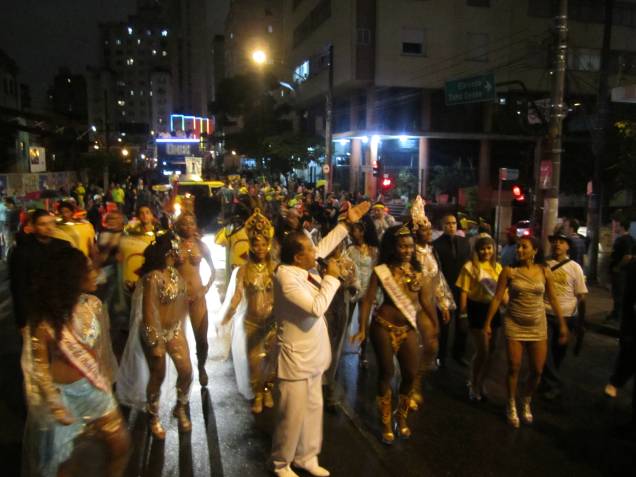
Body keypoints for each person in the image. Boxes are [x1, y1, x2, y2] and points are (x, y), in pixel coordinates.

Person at [270, 200, 370, 477]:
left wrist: (346, 224)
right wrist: (332, 278)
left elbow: (325, 245)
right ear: (297, 257)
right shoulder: (286, 277)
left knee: (313, 410)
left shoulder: (304, 267)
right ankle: (282, 463)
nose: (317, 252)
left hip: (313, 357)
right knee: (291, 416)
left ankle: (307, 457)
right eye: (310, 250)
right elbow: (316, 308)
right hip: (294, 360)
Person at [22, 247, 129, 477]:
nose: (95, 274)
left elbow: (102, 349)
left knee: (120, 443)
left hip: (92, 390)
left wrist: (107, 381)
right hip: (63, 398)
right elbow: (38, 367)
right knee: (63, 466)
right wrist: (54, 404)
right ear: (71, 277)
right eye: (89, 270)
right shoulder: (45, 321)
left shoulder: (94, 305)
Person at [352, 225, 437, 445]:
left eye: (410, 246)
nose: (407, 250)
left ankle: (402, 416)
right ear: (393, 247)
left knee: (410, 374)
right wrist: (362, 328)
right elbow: (368, 299)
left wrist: (435, 327)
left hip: (408, 328)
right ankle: (386, 421)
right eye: (402, 246)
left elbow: (426, 301)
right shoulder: (382, 270)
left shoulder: (418, 273)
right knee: (387, 372)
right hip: (382, 325)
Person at [484, 236, 568, 428]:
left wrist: (562, 324)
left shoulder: (544, 271)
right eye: (518, 247)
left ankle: (526, 400)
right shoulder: (509, 272)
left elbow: (553, 299)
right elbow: (497, 298)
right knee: (514, 366)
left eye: (524, 247)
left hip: (538, 326)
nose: (519, 250)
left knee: (537, 370)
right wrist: (488, 323)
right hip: (514, 324)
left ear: (535, 251)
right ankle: (511, 402)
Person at [116, 233, 193, 438]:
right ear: (171, 252)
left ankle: (181, 406)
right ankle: (153, 414)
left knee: (186, 370)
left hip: (174, 331)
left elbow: (181, 305)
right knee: (157, 375)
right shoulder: (153, 278)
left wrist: (181, 330)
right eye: (180, 249)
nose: (185, 252)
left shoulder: (177, 275)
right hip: (155, 333)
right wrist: (155, 343)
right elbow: (149, 313)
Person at [222, 209, 277, 413]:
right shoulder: (243, 270)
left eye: (263, 244)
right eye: (256, 243)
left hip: (272, 323)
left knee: (271, 361)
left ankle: (268, 389)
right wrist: (228, 314)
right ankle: (258, 393)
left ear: (268, 244)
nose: (260, 247)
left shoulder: (275, 268)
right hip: (251, 323)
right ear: (251, 245)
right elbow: (237, 295)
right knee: (254, 362)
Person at [409, 196, 453, 409]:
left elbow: (438, 279)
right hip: (412, 305)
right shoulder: (409, 253)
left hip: (429, 305)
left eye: (429, 230)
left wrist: (443, 303)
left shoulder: (431, 251)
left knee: (431, 345)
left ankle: (416, 380)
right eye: (424, 230)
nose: (428, 233)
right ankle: (410, 386)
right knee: (415, 346)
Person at [456, 234, 504, 401]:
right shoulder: (470, 267)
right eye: (482, 248)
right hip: (477, 309)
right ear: (476, 250)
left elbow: (501, 292)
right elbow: (464, 291)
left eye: (489, 248)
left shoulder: (497, 267)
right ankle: (473, 382)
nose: (486, 251)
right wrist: (462, 314)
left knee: (492, 350)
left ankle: (481, 381)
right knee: (482, 350)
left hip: (493, 310)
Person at [541, 233, 588, 399]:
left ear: (568, 246)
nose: (557, 245)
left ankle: (547, 383)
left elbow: (581, 296)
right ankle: (555, 384)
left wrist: (581, 323)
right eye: (554, 242)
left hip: (568, 317)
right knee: (544, 352)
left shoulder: (575, 268)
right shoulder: (544, 264)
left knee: (558, 353)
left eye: (561, 242)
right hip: (545, 313)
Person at [9, 210, 71, 330]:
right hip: (35, 308)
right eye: (42, 224)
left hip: (60, 305)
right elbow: (18, 286)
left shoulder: (64, 246)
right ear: (33, 226)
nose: (48, 227)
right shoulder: (22, 251)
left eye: (51, 223)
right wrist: (21, 319)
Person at [174, 212, 215, 387]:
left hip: (198, 297)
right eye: (184, 224)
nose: (188, 227)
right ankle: (183, 373)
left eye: (191, 223)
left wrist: (205, 289)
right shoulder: (173, 246)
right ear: (178, 226)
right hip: (178, 299)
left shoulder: (202, 246)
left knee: (202, 340)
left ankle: (201, 366)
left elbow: (213, 271)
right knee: (177, 340)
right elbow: (165, 270)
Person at [433, 214, 471, 367]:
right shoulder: (436, 245)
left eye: (454, 223)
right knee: (444, 325)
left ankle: (459, 353)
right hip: (444, 289)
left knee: (462, 323)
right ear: (443, 226)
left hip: (462, 289)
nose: (451, 226)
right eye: (448, 223)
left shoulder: (464, 242)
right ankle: (441, 356)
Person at [345, 219, 380, 368]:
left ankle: (364, 353)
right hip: (352, 290)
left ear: (364, 232)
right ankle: (337, 349)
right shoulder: (349, 249)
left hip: (368, 291)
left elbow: (377, 273)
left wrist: (376, 294)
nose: (353, 233)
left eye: (356, 230)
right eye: (352, 230)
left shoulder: (374, 250)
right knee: (345, 320)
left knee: (365, 323)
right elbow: (345, 269)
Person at [606, 217, 635, 323]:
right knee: (621, 293)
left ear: (622, 226)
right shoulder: (631, 239)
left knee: (618, 294)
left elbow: (627, 256)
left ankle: (617, 317)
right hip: (625, 272)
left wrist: (618, 267)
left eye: (617, 225)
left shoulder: (623, 239)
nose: (615, 227)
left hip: (620, 272)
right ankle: (617, 314)